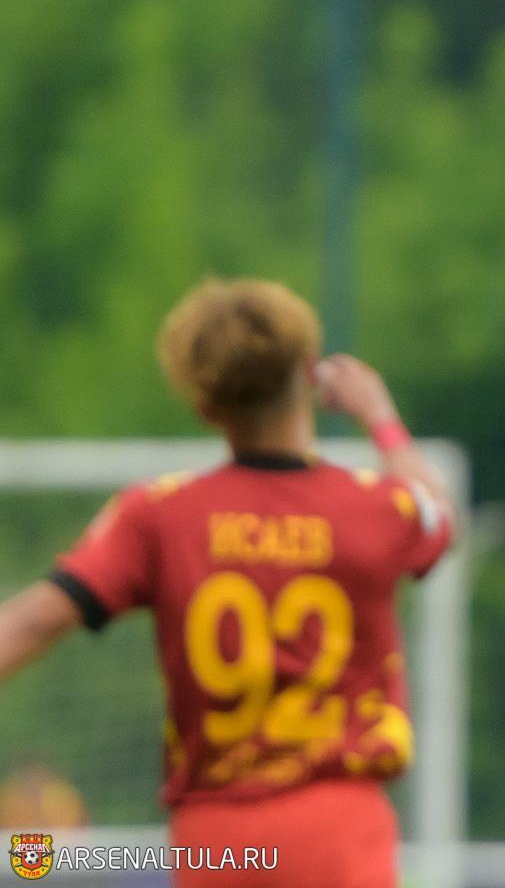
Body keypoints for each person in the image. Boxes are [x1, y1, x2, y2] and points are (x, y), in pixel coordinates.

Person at [0, 278, 457, 888]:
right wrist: (380, 417)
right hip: (338, 828)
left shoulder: (158, 517)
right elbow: (437, 513)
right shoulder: (373, 509)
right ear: (307, 373)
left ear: (204, 407)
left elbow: (32, 622)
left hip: (219, 841)